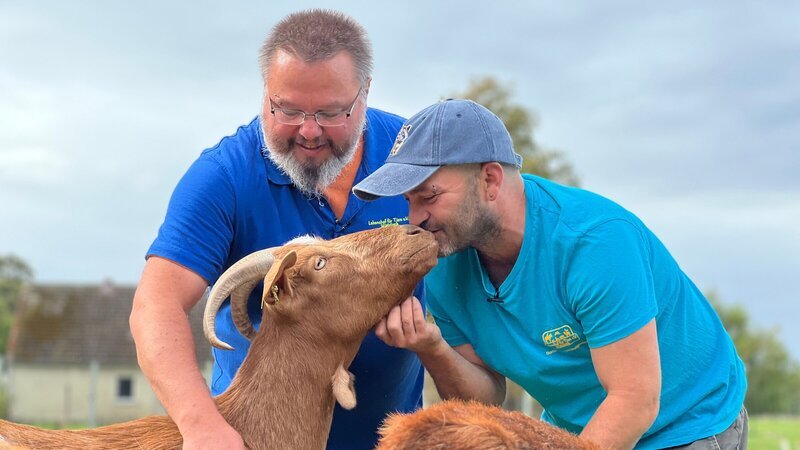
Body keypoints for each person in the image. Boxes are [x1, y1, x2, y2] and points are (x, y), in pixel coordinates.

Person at [352, 99, 748, 449]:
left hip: (685, 424)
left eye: (430, 196)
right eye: (408, 200)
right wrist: (432, 347)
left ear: (490, 179)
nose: (415, 218)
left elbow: (634, 399)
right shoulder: (444, 256)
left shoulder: (594, 243)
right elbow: (486, 398)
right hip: (574, 430)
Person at [130, 10, 425, 450]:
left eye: (330, 112)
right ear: (264, 92)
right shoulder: (224, 177)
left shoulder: (414, 156)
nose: (308, 131)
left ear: (365, 93)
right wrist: (201, 427)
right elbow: (156, 306)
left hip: (390, 440)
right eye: (286, 109)